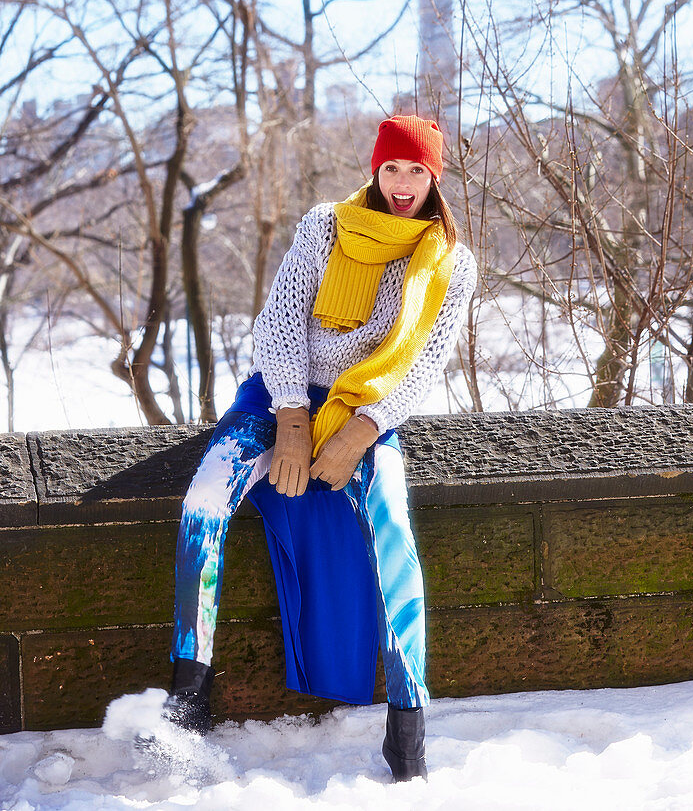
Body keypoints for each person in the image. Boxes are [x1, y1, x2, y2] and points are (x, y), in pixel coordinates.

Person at [164, 114, 478, 782]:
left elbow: (423, 363)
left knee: (395, 535)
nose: (401, 183)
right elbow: (278, 323)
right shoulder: (323, 227)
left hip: (367, 410)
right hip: (279, 399)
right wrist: (293, 420)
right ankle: (188, 694)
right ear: (374, 169)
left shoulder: (451, 261)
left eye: (416, 171)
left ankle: (408, 731)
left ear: (434, 177)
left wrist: (362, 430)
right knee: (202, 502)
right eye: (391, 168)